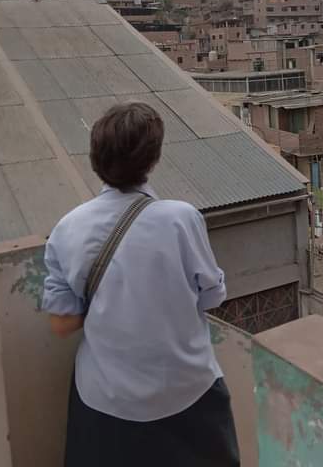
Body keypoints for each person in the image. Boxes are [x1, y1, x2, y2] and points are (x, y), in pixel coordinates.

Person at [42, 102, 240, 467]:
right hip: (188, 393)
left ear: (95, 158)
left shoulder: (67, 228)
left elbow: (61, 323)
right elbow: (212, 297)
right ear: (152, 160)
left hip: (105, 401)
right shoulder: (181, 218)